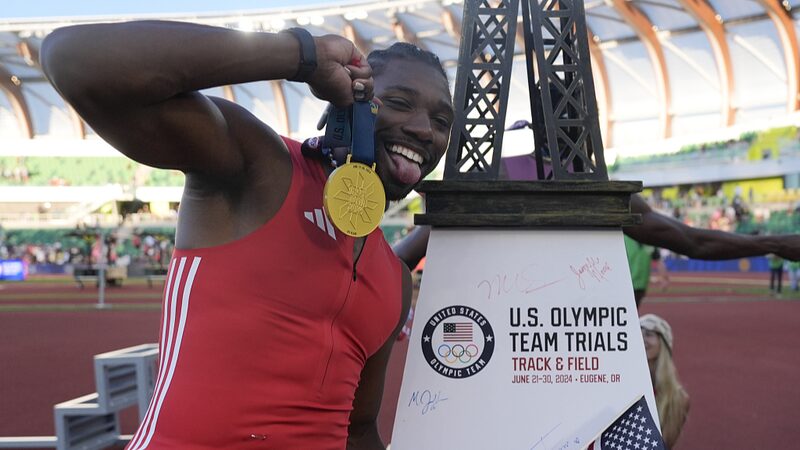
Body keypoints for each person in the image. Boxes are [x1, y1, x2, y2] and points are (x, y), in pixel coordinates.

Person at [42, 21, 453, 449]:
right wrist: (302, 55)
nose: (425, 129)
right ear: (352, 97)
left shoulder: (395, 280)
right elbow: (71, 59)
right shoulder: (262, 166)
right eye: (401, 102)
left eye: (442, 120)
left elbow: (359, 431)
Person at [393, 152, 800, 306]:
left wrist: (775, 242)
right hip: (566, 342)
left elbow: (405, 254)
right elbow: (691, 241)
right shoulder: (594, 185)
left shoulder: (502, 169)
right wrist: (774, 242)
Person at [640, 314, 689, 449]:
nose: (642, 339)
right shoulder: (619, 385)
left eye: (649, 334)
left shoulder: (677, 398)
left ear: (664, 343)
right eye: (638, 333)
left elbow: (664, 445)